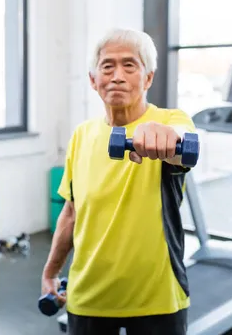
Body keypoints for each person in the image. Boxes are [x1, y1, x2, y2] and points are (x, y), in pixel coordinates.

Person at [41, 28, 196, 335]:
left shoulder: (169, 120)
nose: (117, 76)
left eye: (130, 65)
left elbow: (182, 141)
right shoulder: (81, 136)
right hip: (88, 297)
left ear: (148, 78)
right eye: (107, 66)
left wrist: (165, 138)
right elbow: (71, 212)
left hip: (158, 297)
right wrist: (51, 270)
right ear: (92, 80)